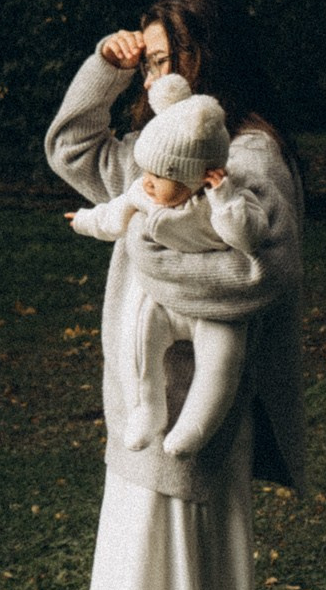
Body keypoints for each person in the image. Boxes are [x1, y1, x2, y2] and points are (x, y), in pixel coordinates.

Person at [41, 0, 309, 590]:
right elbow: (73, 151)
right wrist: (105, 68)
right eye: (149, 59)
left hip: (199, 424)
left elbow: (261, 270)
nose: (154, 73)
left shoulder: (245, 154)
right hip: (141, 422)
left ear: (209, 56)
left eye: (165, 57)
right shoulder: (163, 146)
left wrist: (148, 249)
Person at [64, 72, 270, 457]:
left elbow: (248, 237)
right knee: (136, 336)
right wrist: (85, 221)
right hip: (161, 300)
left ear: (197, 177)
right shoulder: (144, 193)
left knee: (222, 362)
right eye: (147, 171)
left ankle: (195, 427)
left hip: (213, 307)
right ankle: (147, 407)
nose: (149, 181)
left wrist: (224, 198)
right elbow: (114, 215)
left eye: (162, 174)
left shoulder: (221, 202)